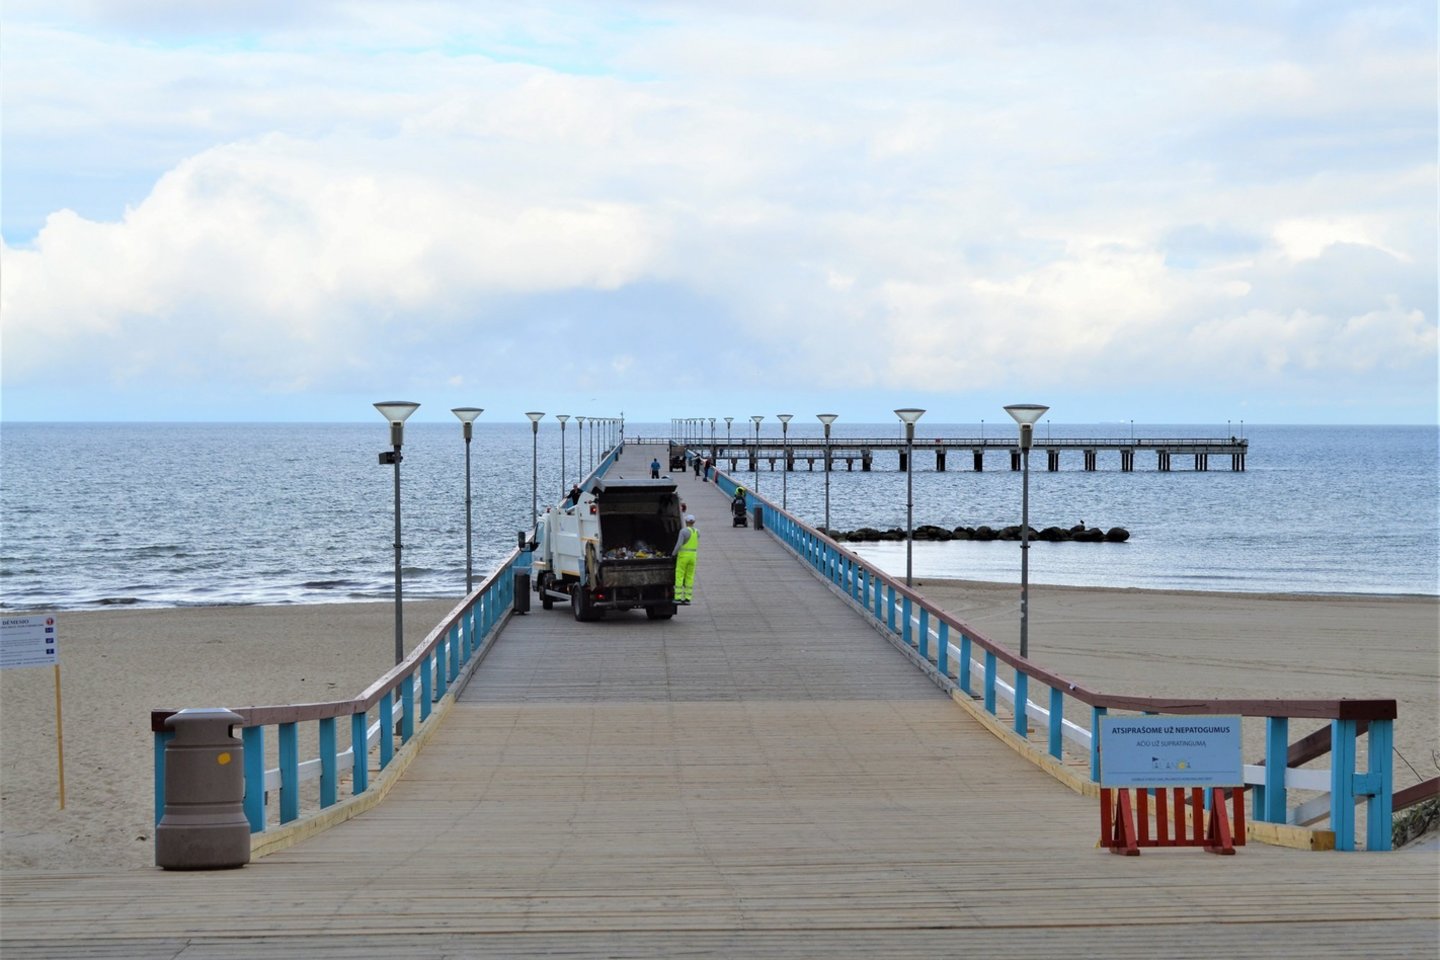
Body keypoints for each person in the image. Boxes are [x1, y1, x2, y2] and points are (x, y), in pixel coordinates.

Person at [673, 514, 699, 604]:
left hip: (683, 557)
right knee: (690, 576)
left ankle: (678, 597)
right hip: (693, 557)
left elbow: (679, 544)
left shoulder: (683, 531)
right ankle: (688, 598)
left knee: (679, 576)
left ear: (686, 522)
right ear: (694, 522)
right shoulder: (697, 532)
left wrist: (673, 554)